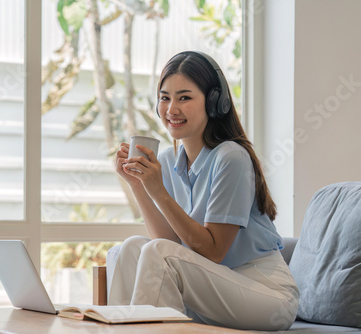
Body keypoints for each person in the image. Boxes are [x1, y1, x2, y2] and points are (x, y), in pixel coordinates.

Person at [108, 51, 299, 331]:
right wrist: (139, 185)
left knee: (158, 251)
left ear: (214, 102)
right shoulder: (169, 162)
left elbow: (213, 252)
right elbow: (168, 243)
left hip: (265, 293)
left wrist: (158, 191)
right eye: (165, 97)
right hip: (212, 286)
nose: (171, 108)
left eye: (184, 97)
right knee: (133, 247)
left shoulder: (231, 157)